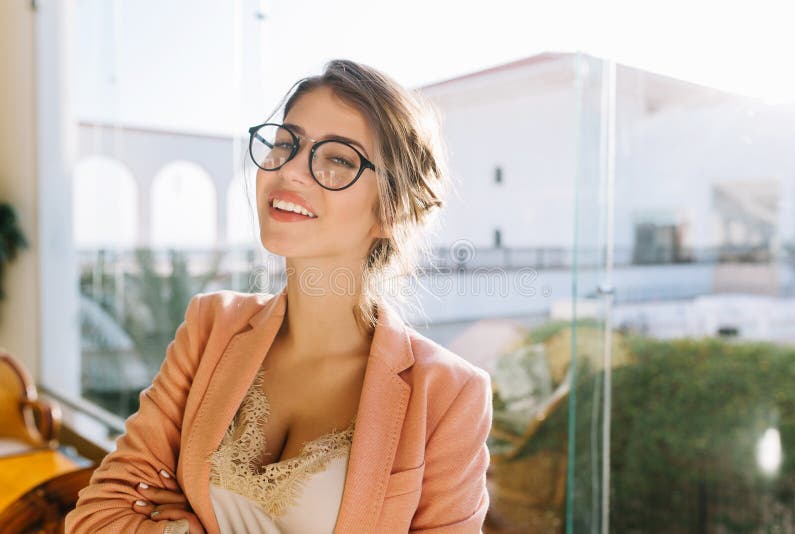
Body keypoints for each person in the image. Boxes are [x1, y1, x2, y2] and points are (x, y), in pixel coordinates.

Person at [65, 59, 493, 534]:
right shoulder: (211, 326)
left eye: (338, 159)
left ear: (391, 212)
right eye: (285, 144)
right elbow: (96, 517)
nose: (290, 170)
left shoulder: (450, 395)